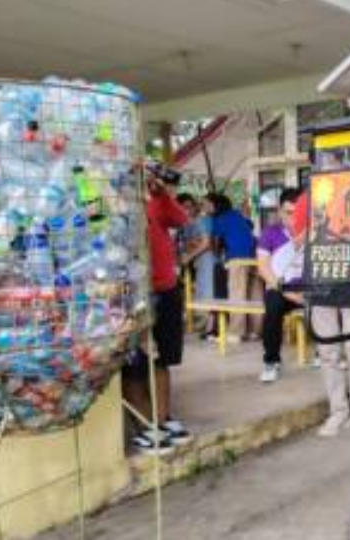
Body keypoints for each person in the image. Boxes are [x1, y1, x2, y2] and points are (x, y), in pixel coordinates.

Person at [292, 187, 350, 438]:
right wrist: (315, 226)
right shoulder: (305, 200)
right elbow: (297, 243)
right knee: (328, 351)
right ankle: (339, 411)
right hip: (320, 282)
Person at [122, 163, 192, 455]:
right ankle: (145, 426)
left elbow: (181, 219)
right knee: (133, 365)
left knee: (161, 360)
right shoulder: (110, 212)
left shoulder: (156, 205)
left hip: (164, 291)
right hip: (131, 298)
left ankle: (162, 420)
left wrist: (162, 194)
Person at [257, 188, 304, 383]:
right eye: (288, 212)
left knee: (329, 300)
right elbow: (263, 269)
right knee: (273, 305)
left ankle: (325, 353)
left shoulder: (313, 232)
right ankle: (271, 360)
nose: (292, 218)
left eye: (297, 212)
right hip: (279, 289)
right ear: (279, 211)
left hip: (306, 289)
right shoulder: (270, 233)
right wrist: (287, 292)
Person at [207, 193, 257, 343]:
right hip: (252, 256)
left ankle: (236, 333)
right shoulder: (236, 214)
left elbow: (214, 242)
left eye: (207, 203)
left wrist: (218, 255)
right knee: (252, 295)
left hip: (236, 258)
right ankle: (254, 331)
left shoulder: (218, 219)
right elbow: (249, 226)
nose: (205, 207)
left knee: (237, 296)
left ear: (216, 205)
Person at [177, 193, 215, 334]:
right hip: (198, 262)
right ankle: (205, 325)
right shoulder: (184, 224)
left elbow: (207, 243)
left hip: (207, 260)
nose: (187, 210)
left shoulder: (201, 221)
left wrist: (190, 254)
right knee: (201, 292)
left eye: (190, 206)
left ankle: (210, 327)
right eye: (184, 207)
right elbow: (190, 243)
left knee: (209, 293)